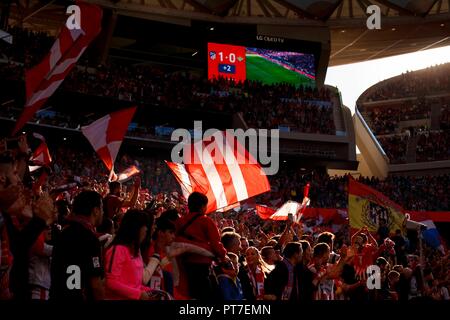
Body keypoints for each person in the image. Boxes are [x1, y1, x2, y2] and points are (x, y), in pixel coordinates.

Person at [50, 190, 105, 301]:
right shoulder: (90, 238)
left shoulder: (64, 232)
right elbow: (95, 285)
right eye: (102, 208)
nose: (103, 212)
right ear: (95, 211)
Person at [174, 192, 227, 300]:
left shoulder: (179, 221)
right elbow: (216, 244)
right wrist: (223, 257)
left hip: (183, 264)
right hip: (202, 266)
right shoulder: (206, 221)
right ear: (203, 206)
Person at [104, 210, 153, 300]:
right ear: (135, 227)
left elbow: (134, 284)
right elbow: (110, 282)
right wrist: (139, 294)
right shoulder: (118, 249)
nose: (146, 229)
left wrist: (149, 291)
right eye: (144, 225)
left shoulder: (136, 251)